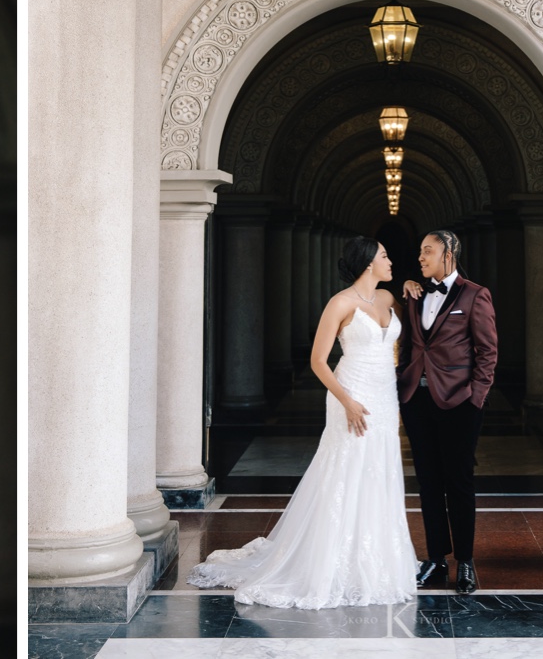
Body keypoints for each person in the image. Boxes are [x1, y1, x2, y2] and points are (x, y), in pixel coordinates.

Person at [187, 237, 416, 608]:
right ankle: (328, 560)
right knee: (346, 468)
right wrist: (348, 401)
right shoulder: (340, 303)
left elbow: (418, 319)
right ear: (367, 262)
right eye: (385, 255)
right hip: (351, 392)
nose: (392, 260)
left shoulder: (390, 299)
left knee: (380, 468)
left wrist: (407, 286)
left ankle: (374, 556)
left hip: (384, 396)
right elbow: (318, 361)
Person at [398, 230, 498, 595]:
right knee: (428, 484)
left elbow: (487, 352)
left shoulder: (475, 295)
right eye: (420, 251)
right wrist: (403, 385)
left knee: (459, 483)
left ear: (449, 253)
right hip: (417, 401)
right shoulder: (414, 294)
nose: (421, 257)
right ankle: (436, 558)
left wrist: (476, 397)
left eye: (428, 251)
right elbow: (409, 346)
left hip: (460, 402)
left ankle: (466, 562)